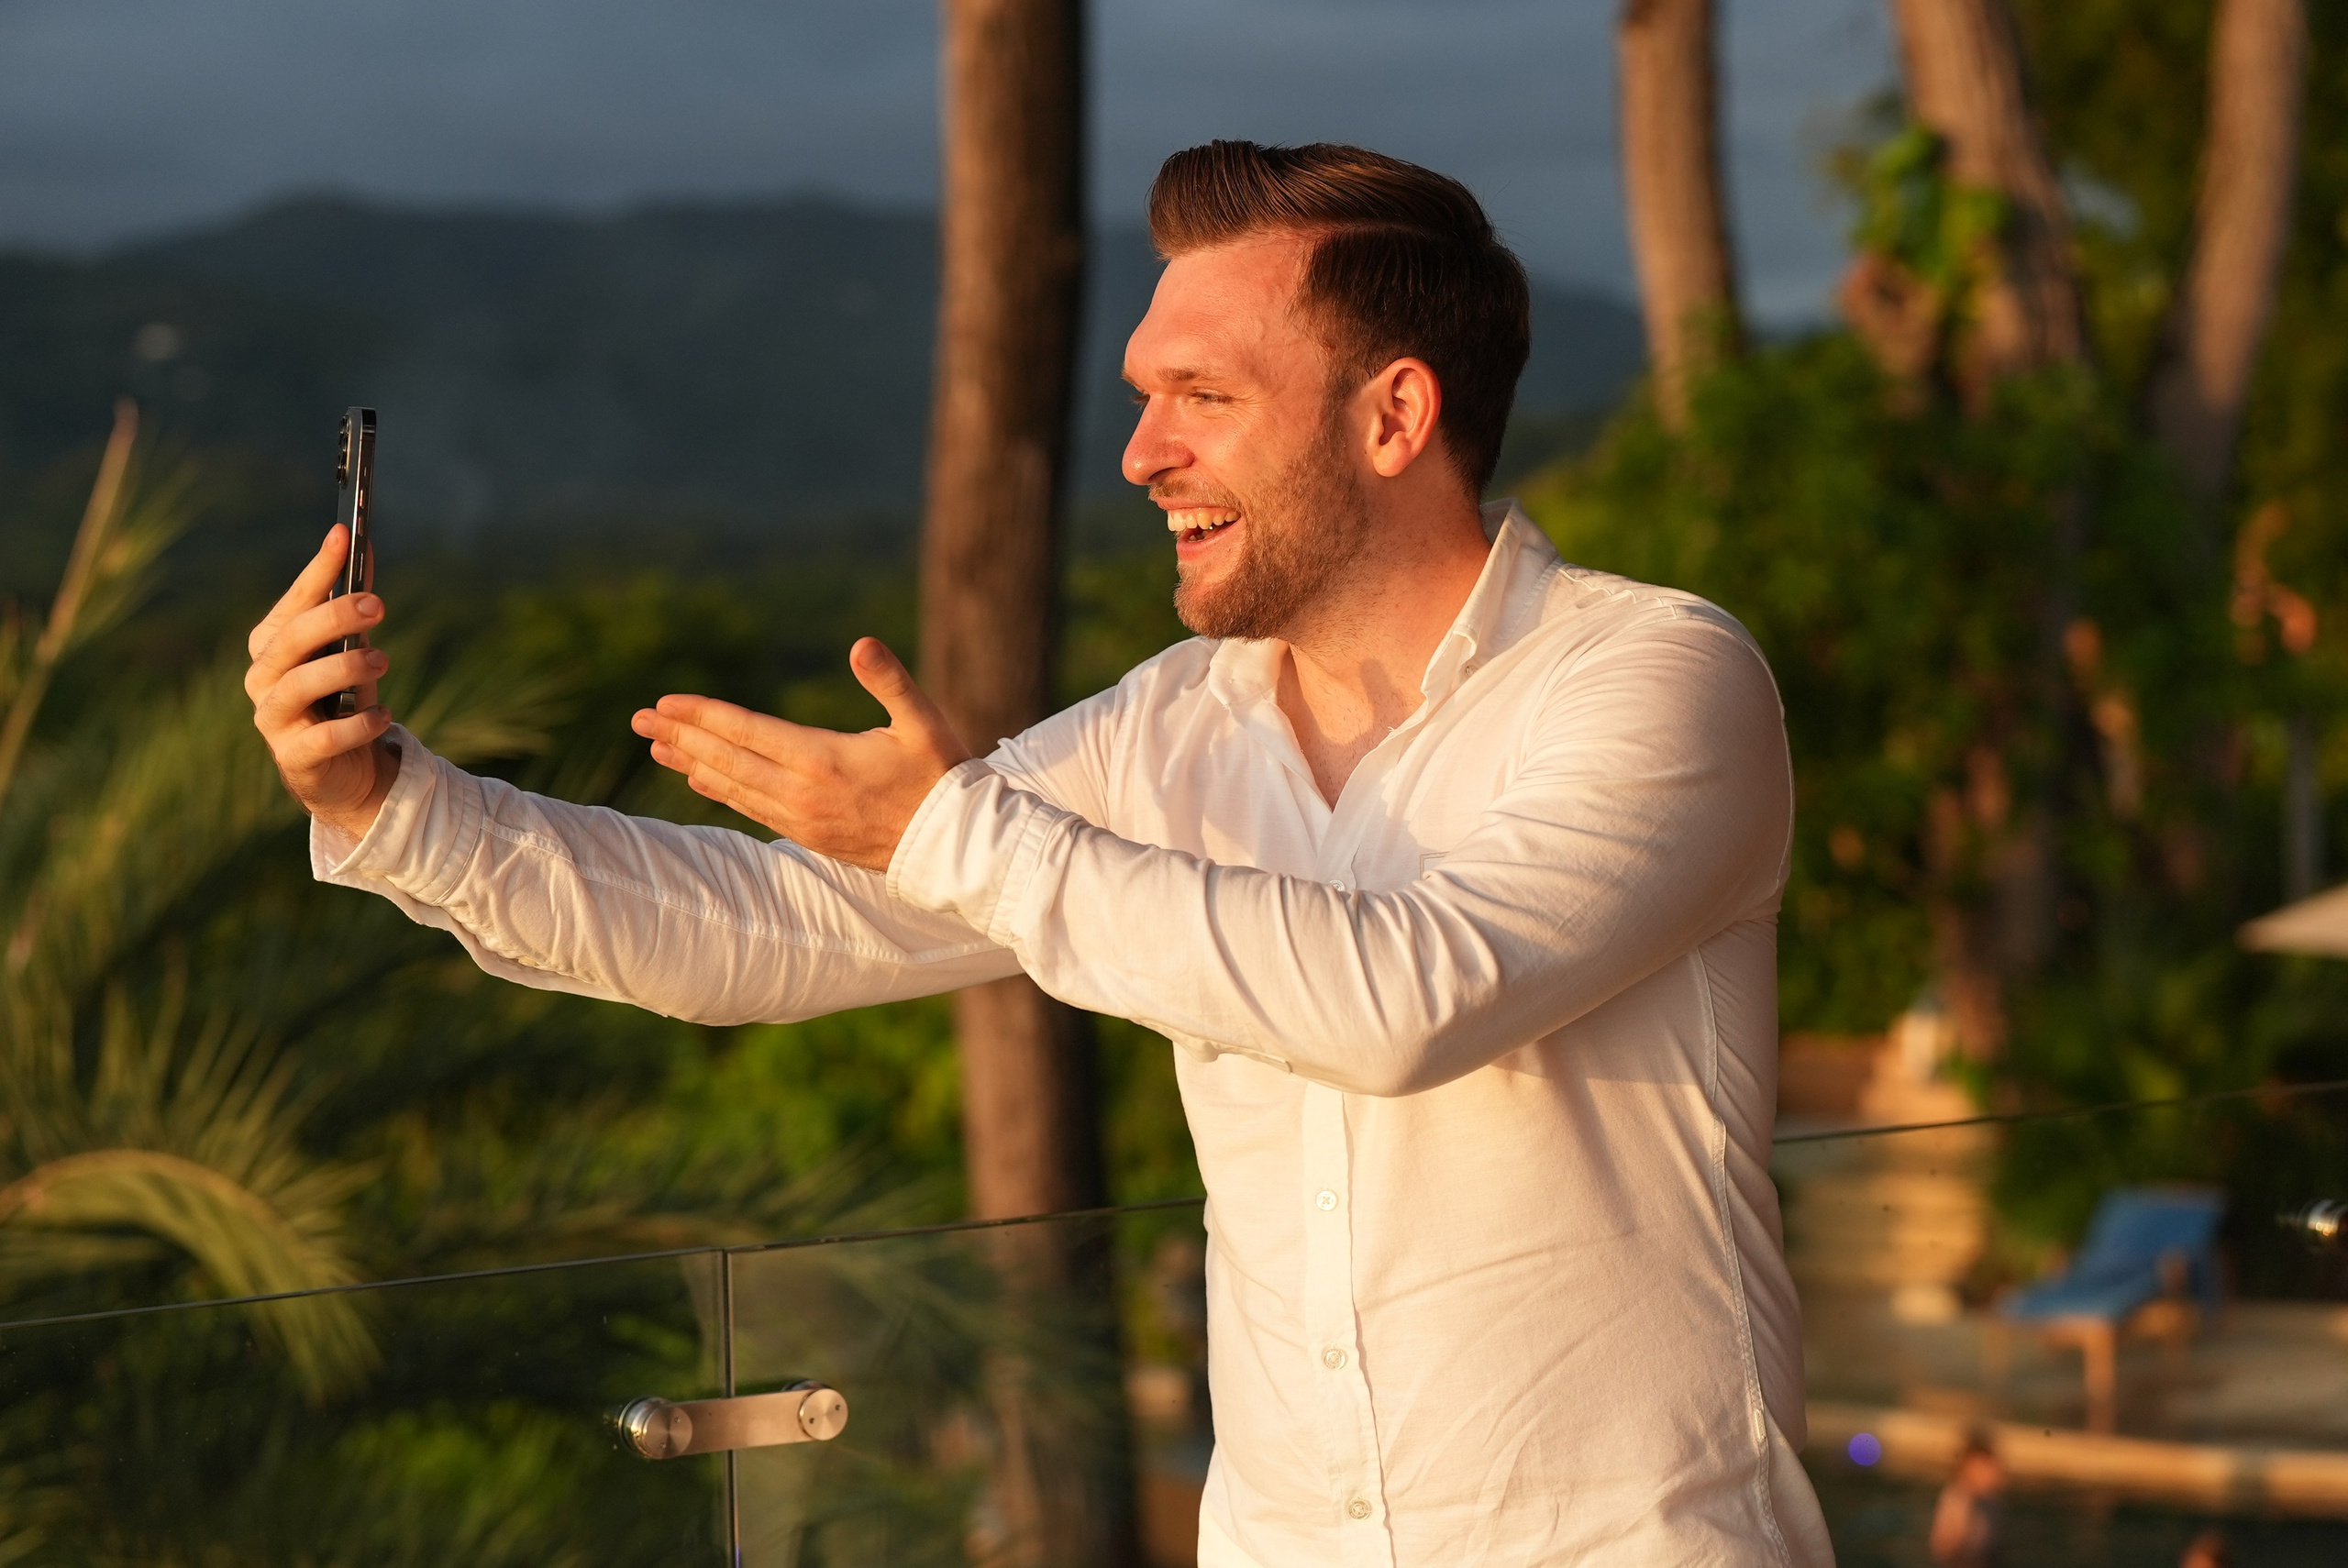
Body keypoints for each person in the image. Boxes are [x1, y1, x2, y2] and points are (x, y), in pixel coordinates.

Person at [245, 140, 1831, 1567]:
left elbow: (1414, 993)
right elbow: (774, 931)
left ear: (1396, 415)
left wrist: (954, 832)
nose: (1140, 455)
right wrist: (391, 803)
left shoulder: (1656, 678)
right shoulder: (1176, 727)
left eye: (1203, 397)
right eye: (1143, 397)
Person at [1927, 1433, 2006, 1568]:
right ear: (1969, 1469)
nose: (1995, 1474)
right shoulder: (1958, 1501)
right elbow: (1946, 1549)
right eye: (1987, 1469)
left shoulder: (1989, 1503)